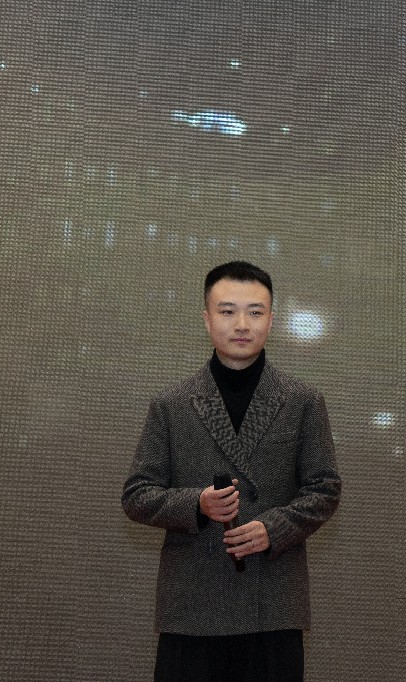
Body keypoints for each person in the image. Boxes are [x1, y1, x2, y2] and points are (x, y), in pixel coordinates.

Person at [122, 260, 341, 682]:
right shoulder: (171, 404)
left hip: (272, 603)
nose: (242, 324)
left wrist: (273, 529)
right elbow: (137, 495)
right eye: (227, 311)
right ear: (206, 319)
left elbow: (325, 488)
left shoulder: (303, 401)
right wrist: (198, 504)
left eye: (255, 312)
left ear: (271, 320)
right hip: (193, 605)